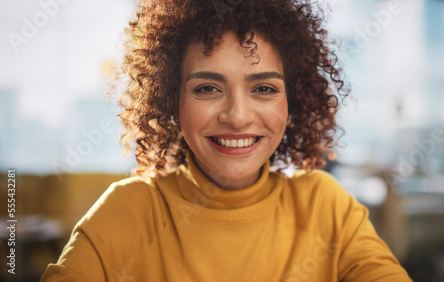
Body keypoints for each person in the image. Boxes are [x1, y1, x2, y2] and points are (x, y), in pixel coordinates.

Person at [42, 0, 412, 281]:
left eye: (264, 88)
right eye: (207, 88)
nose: (237, 116)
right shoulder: (127, 213)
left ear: (292, 99)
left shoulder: (326, 209)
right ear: (172, 100)